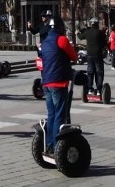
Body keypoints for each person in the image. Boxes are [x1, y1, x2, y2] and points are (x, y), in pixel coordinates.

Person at [40, 16, 78, 155]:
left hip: (46, 82)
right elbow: (74, 56)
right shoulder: (61, 40)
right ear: (60, 27)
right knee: (60, 115)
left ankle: (49, 145)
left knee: (51, 115)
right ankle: (57, 147)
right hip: (59, 82)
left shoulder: (44, 42)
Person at [82, 17, 106, 94]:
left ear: (91, 24)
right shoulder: (100, 32)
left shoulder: (87, 32)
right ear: (97, 24)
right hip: (98, 54)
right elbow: (104, 43)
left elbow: (80, 37)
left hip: (89, 55)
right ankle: (99, 89)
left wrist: (77, 33)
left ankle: (89, 89)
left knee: (90, 72)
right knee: (99, 72)